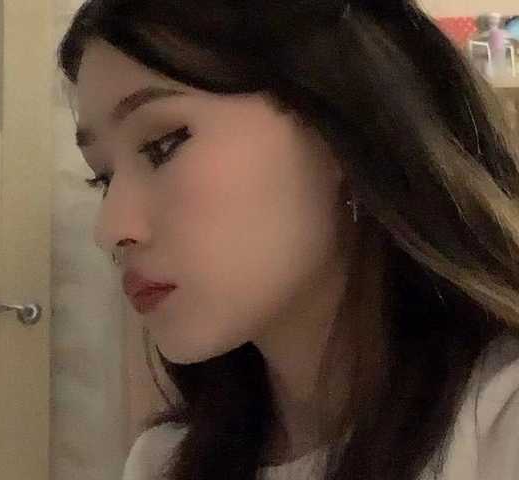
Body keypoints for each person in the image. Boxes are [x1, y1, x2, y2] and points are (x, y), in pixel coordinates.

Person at [57, 1, 519, 479]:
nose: (110, 229)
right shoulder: (161, 462)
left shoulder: (501, 426)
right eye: (103, 178)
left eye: (163, 144)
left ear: (342, 128)